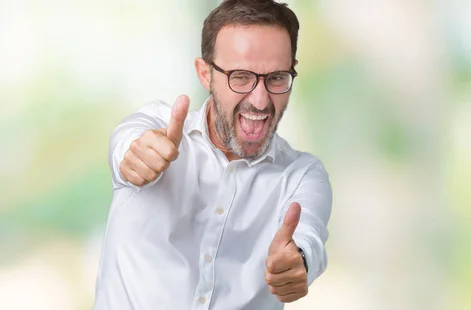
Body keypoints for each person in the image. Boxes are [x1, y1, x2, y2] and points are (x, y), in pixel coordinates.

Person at [92, 0, 333, 309]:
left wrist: (298, 262)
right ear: (205, 74)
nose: (260, 101)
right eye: (241, 77)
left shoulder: (302, 174)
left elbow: (307, 238)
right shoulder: (152, 128)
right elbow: (128, 147)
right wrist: (135, 158)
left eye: (276, 78)